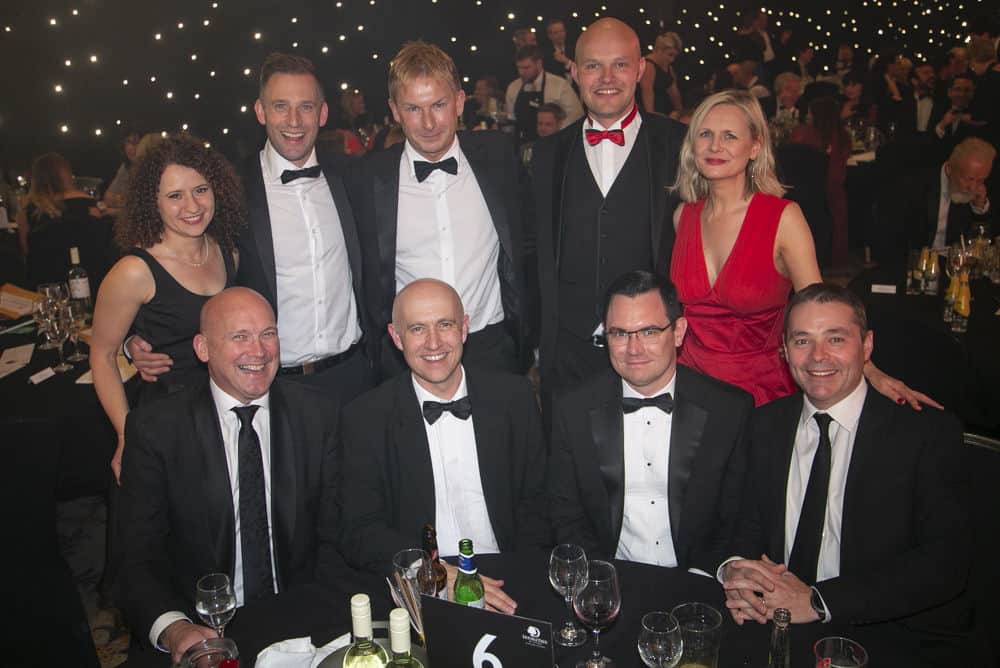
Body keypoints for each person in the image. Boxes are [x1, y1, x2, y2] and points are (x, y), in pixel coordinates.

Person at [718, 284, 971, 663]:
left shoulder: (926, 434)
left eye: (835, 338)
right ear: (784, 350)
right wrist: (738, 572)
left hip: (882, 633)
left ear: (866, 347)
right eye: (802, 340)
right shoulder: (764, 424)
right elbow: (744, 524)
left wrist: (818, 602)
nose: (818, 356)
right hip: (775, 624)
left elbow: (945, 563)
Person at [116, 287, 345, 663]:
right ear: (203, 348)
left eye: (268, 334)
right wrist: (175, 629)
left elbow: (336, 538)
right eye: (240, 337)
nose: (259, 351)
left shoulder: (318, 415)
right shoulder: (157, 430)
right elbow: (136, 558)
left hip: (299, 618)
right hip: (198, 626)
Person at [129, 53, 373, 403]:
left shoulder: (352, 176)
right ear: (260, 111)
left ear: (322, 114)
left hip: (354, 375)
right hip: (269, 386)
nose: (294, 120)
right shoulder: (230, 188)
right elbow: (177, 261)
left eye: (305, 107)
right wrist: (134, 339)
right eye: (280, 106)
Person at [670, 89, 936, 408]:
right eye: (705, 134)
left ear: (755, 147)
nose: (715, 146)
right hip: (689, 389)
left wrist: (870, 371)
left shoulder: (782, 218)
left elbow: (819, 308)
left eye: (729, 136)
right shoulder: (683, 216)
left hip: (759, 397)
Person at [338, 279, 549, 614]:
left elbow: (537, 505)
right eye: (417, 329)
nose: (433, 342)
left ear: (464, 328)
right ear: (396, 337)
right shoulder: (365, 417)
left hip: (507, 579)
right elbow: (360, 531)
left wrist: (518, 584)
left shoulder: (515, 398)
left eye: (445, 325)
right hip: (421, 590)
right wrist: (429, 571)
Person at [346, 40, 533, 377]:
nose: (428, 123)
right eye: (413, 109)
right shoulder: (368, 179)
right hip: (408, 357)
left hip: (492, 346)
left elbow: (528, 243)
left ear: (459, 102)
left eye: (439, 105)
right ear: (394, 111)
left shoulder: (499, 157)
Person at [548, 271, 752, 572]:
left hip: (699, 579)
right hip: (609, 578)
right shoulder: (573, 409)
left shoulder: (728, 410)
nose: (634, 349)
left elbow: (739, 517)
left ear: (678, 331)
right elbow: (566, 516)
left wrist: (706, 576)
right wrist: (604, 580)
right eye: (620, 333)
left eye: (649, 332)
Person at [532, 17, 687, 399]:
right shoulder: (547, 154)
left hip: (651, 354)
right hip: (567, 356)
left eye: (620, 64)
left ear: (640, 69)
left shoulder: (678, 145)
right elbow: (533, 251)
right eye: (593, 66)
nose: (606, 78)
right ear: (574, 72)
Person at [91, 135, 243, 482]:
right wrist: (126, 434)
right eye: (175, 196)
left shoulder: (228, 253)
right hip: (168, 423)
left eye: (201, 190)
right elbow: (101, 356)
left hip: (228, 416)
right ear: (153, 202)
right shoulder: (135, 271)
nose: (192, 205)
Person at [17, 152, 113, 288]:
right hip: (93, 280)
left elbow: (27, 252)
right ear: (67, 174)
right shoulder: (92, 205)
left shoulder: (28, 212)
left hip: (46, 283)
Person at [900, 137, 994, 250]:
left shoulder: (980, 189)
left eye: (980, 180)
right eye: (969, 179)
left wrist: (978, 207)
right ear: (949, 169)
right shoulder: (917, 185)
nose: (973, 187)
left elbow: (981, 240)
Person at [504, 44, 583, 142]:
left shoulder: (559, 85)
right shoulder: (513, 87)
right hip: (523, 144)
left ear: (539, 64)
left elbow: (576, 115)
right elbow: (511, 119)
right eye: (519, 68)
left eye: (526, 68)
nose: (521, 72)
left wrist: (558, 132)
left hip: (554, 142)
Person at [639, 32, 684, 119]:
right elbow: (647, 95)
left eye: (674, 56)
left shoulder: (668, 67)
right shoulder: (648, 66)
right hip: (649, 116)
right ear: (659, 50)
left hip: (665, 114)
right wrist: (653, 117)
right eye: (670, 55)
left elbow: (674, 93)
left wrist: (678, 112)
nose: (672, 59)